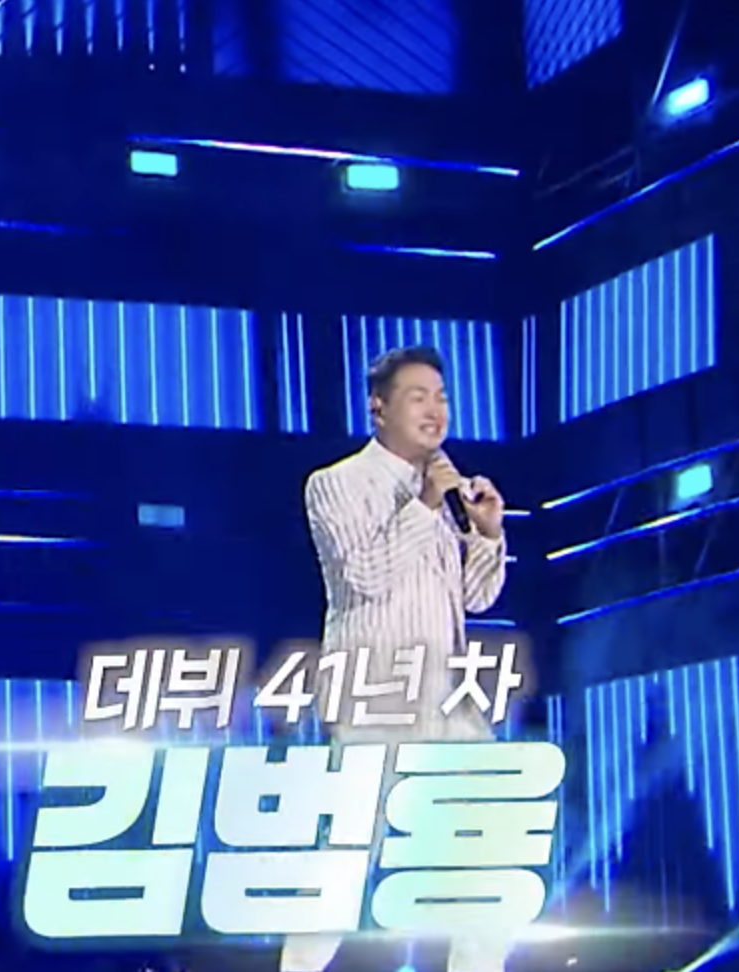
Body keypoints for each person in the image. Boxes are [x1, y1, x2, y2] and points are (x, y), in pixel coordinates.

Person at [284, 345, 515, 972]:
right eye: (418, 397)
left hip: (448, 701)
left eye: (441, 397)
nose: (435, 410)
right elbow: (364, 575)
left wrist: (487, 532)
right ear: (378, 408)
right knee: (348, 857)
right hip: (377, 697)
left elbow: (476, 596)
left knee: (494, 850)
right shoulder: (336, 483)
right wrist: (425, 505)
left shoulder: (441, 489)